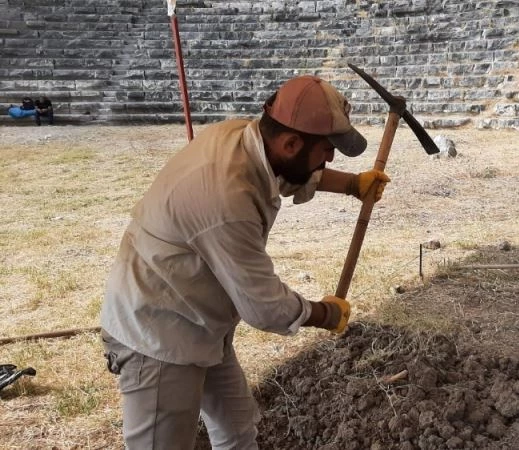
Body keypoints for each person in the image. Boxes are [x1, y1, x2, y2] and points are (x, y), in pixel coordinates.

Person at [100, 75, 390, 449]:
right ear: (290, 142)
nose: (330, 157)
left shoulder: (244, 139)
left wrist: (351, 184)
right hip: (158, 334)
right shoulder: (226, 198)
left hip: (201, 321)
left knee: (236, 427)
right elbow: (264, 306)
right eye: (326, 149)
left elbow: (287, 173)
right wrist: (324, 314)